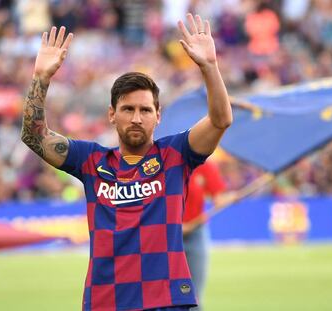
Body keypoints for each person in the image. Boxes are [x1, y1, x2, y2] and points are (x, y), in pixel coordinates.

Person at [21, 13, 232, 311]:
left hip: (167, 301)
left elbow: (221, 120)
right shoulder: (91, 160)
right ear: (111, 114)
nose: (136, 117)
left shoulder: (176, 155)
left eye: (145, 110)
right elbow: (34, 135)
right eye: (127, 109)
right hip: (107, 301)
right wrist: (41, 78)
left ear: (158, 116)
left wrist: (210, 67)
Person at [182, 161, 226, 311]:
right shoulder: (163, 164)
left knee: (194, 295)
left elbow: (219, 197)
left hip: (196, 232)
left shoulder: (205, 166)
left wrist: (225, 199)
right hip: (166, 234)